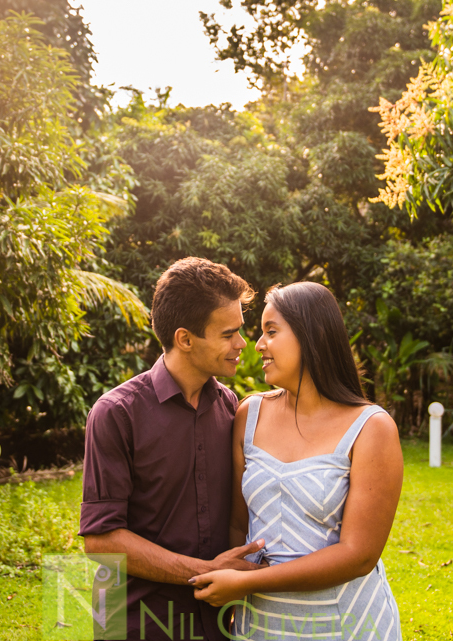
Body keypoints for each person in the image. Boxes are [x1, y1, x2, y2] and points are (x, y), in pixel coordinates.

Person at [191, 281, 404, 640]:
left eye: (271, 332)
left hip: (344, 625)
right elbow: (238, 526)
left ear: (312, 335)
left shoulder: (371, 428)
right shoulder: (249, 415)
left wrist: (248, 582)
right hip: (259, 627)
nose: (258, 345)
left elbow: (358, 555)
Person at [81, 257, 266, 641]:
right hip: (140, 624)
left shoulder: (231, 407)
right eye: (228, 333)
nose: (242, 344)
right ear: (185, 339)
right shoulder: (116, 414)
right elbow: (102, 540)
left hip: (217, 625)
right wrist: (206, 572)